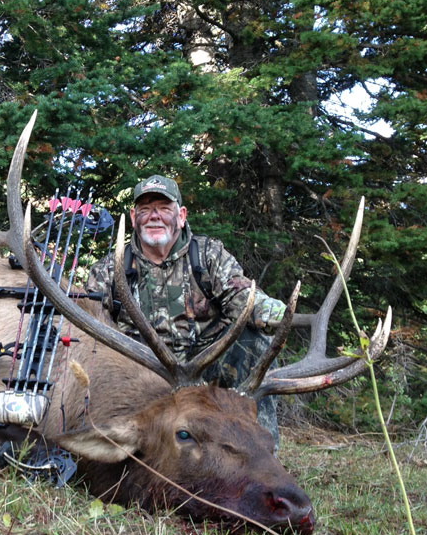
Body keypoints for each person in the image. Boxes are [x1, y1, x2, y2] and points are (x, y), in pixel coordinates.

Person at [86, 175, 286, 448]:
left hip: (203, 364)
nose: (153, 216)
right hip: (141, 373)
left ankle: (262, 448)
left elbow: (241, 295)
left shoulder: (207, 255)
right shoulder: (110, 269)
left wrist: (269, 310)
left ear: (181, 215)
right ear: (134, 217)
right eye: (144, 209)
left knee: (254, 345)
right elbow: (90, 322)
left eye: (163, 208)